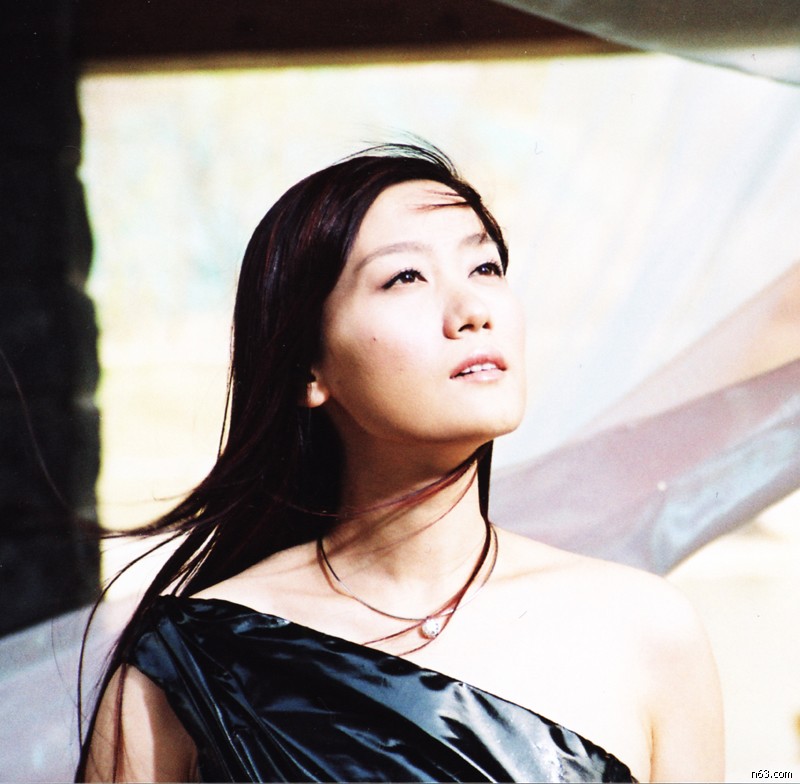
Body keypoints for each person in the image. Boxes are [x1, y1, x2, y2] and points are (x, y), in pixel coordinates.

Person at [77, 143, 724, 782]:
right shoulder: (190, 664)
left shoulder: (645, 631)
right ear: (307, 367)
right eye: (406, 278)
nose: (473, 312)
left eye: (486, 268)